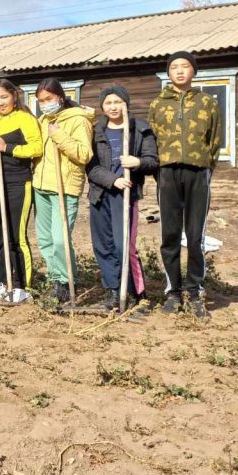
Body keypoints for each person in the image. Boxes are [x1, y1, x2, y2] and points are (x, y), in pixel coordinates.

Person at [148, 51, 221, 318]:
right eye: (174, 67)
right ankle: (173, 292)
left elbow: (215, 140)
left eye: (185, 66)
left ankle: (194, 291)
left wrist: (205, 168)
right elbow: (153, 139)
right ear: (168, 73)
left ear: (194, 71)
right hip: (167, 173)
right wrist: (160, 171)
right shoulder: (158, 103)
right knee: (169, 234)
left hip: (198, 173)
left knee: (195, 235)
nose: (179, 71)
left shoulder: (207, 102)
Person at [87, 85, 159, 311]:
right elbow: (90, 166)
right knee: (103, 246)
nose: (113, 107)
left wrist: (137, 162)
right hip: (100, 194)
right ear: (102, 107)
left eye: (118, 102)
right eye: (108, 103)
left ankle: (138, 294)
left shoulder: (140, 129)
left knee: (124, 245)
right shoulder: (96, 131)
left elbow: (153, 161)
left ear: (126, 104)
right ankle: (113, 290)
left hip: (126, 195)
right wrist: (112, 180)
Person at [32, 78, 94, 303]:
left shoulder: (78, 120)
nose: (44, 104)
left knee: (60, 240)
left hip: (64, 186)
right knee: (45, 239)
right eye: (40, 101)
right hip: (41, 185)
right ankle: (57, 280)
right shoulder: (42, 121)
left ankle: (66, 281)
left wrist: (59, 135)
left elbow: (84, 154)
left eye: (48, 99)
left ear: (60, 96)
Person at [0, 79, 42, 305]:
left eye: (4, 97)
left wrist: (7, 147)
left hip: (18, 183)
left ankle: (21, 285)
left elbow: (36, 148)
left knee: (17, 236)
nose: (0, 102)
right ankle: (3, 281)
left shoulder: (25, 118)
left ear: (14, 96)